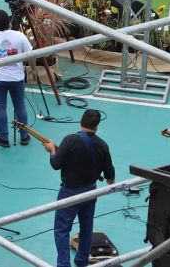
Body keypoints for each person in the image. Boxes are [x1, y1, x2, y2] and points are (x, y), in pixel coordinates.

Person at [41, 109, 115, 267]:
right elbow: (110, 174)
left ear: (81, 121)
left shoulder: (70, 140)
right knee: (86, 227)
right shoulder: (102, 145)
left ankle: (63, 264)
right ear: (97, 126)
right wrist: (110, 181)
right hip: (91, 191)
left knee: (62, 230)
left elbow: (56, 164)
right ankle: (81, 260)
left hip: (70, 192)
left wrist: (52, 150)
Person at [0, 9, 34, 148]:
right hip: (17, 79)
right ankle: (24, 136)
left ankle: (4, 138)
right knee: (20, 106)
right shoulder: (19, 36)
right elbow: (31, 54)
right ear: (9, 22)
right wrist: (33, 70)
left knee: (0, 108)